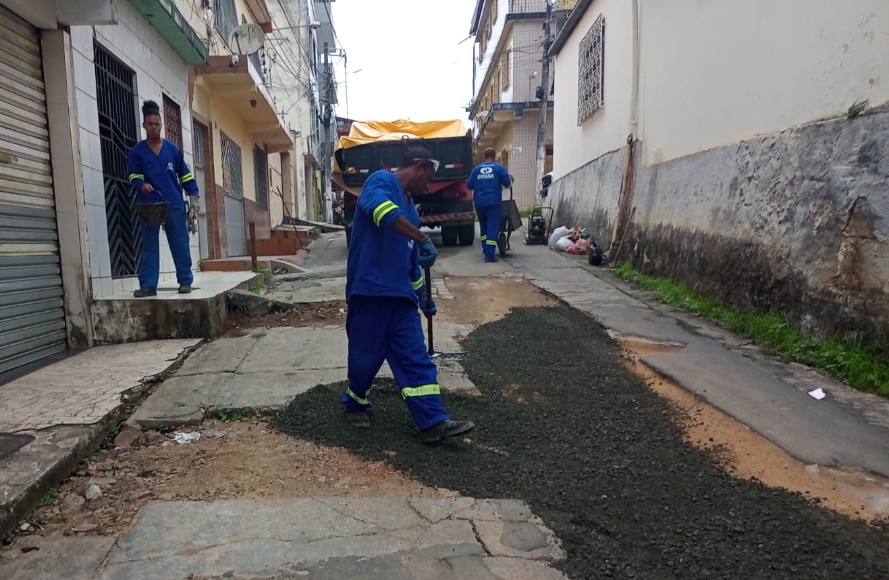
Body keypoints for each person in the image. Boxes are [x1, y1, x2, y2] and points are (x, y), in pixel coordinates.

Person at [342, 147, 476, 444]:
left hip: (402, 300)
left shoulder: (412, 209)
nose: (430, 186)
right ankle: (356, 400)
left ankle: (433, 422)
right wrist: (421, 236)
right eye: (429, 177)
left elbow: (411, 261)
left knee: (416, 359)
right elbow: (381, 213)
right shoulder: (380, 182)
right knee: (365, 358)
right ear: (419, 166)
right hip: (370, 291)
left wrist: (423, 295)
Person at [127, 100, 200, 297]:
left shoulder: (173, 150)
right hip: (149, 206)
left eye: (157, 124)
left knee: (180, 243)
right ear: (144, 125)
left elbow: (184, 174)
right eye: (150, 124)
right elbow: (133, 175)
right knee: (149, 245)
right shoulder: (137, 152)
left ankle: (185, 281)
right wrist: (141, 185)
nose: (154, 127)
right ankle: (148, 285)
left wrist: (193, 194)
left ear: (161, 124)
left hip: (174, 204)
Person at [466, 147, 512, 263]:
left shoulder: (476, 169)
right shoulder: (499, 168)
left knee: (484, 226)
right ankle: (489, 256)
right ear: (495, 156)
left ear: (484, 156)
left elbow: (469, 185)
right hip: (493, 202)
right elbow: (507, 183)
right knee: (492, 226)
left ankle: (486, 250)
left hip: (479, 202)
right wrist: (510, 180)